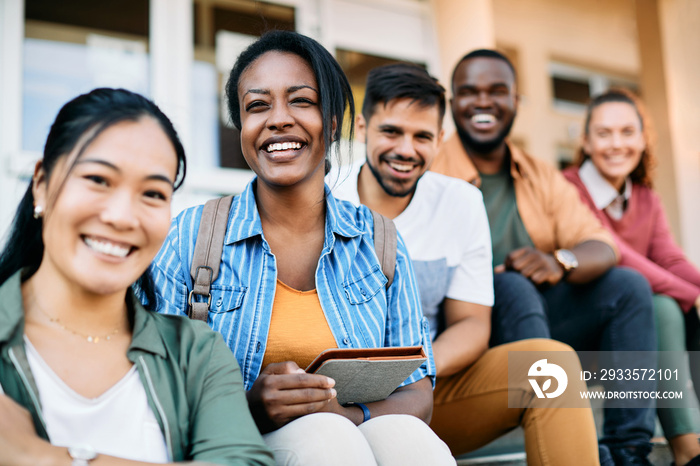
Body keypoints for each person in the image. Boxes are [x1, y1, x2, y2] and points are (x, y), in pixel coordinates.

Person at [149, 31, 455, 466]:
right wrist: (247, 406)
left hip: (353, 440)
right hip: (235, 447)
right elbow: (152, 388)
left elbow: (418, 392)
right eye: (257, 106)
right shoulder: (191, 238)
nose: (278, 119)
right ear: (242, 129)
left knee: (410, 440)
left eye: (301, 101)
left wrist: (347, 413)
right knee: (326, 438)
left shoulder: (379, 242)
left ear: (331, 123)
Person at [330, 62, 601, 465]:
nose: (406, 149)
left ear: (440, 139)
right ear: (364, 128)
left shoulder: (460, 202)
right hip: (333, 401)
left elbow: (472, 324)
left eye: (422, 136)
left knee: (552, 365)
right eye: (391, 131)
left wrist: (407, 374)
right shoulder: (322, 195)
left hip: (427, 392)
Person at [0, 88, 273, 465]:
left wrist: (40, 456)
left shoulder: (195, 354)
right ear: (42, 184)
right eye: (98, 179)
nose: (123, 217)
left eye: (153, 193)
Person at [430, 49, 658, 466]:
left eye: (497, 91)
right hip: (467, 331)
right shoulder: (429, 169)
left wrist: (560, 261)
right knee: (511, 283)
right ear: (452, 103)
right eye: (469, 92)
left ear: (516, 101)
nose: (483, 102)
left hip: (541, 322)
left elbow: (600, 243)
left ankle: (629, 450)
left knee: (630, 287)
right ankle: (572, 436)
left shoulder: (538, 173)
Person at [563, 88, 700, 466]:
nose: (616, 144)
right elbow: (623, 259)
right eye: (604, 134)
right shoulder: (569, 188)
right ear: (586, 141)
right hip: (590, 323)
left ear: (643, 139)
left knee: (679, 306)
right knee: (665, 307)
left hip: (634, 321)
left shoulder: (645, 196)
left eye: (627, 132)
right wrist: (691, 294)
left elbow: (669, 258)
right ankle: (687, 449)